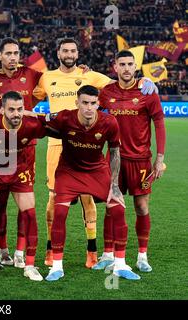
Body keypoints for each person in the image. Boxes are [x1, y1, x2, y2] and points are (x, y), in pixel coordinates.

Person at [33, 38, 159, 268]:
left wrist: (144, 80)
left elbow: (121, 82)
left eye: (73, 50)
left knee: (87, 197)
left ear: (78, 53)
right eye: (65, 51)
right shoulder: (47, 77)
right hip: (56, 144)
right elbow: (30, 99)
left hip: (87, 143)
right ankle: (51, 249)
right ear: (58, 53)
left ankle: (92, 250)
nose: (69, 54)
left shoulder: (91, 76)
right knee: (53, 199)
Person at [42, 85, 140, 282]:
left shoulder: (109, 122)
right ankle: (56, 267)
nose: (88, 107)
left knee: (118, 208)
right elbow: (37, 122)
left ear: (98, 104)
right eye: (84, 103)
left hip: (96, 171)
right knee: (60, 212)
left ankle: (120, 265)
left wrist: (114, 185)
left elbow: (114, 153)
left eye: (93, 103)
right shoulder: (64, 118)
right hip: (68, 172)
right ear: (77, 102)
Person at [95, 50, 166, 272]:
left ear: (136, 66)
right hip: (114, 159)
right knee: (111, 206)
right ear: (114, 67)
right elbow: (93, 118)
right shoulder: (106, 93)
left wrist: (160, 158)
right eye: (122, 64)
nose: (126, 68)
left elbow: (159, 123)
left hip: (141, 160)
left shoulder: (147, 91)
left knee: (141, 206)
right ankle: (107, 254)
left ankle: (142, 256)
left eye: (130, 64)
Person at [0, 91, 48, 283]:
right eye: (11, 109)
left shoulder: (32, 123)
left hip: (18, 170)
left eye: (20, 109)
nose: (16, 114)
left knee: (30, 214)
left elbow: (58, 124)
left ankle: (29, 265)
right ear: (2, 110)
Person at [0, 38, 43, 269]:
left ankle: (20, 251)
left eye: (16, 53)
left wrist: (83, 69)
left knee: (24, 202)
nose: (12, 57)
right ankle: (3, 250)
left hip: (26, 149)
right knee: (0, 203)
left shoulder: (31, 74)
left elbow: (61, 77)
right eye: (8, 53)